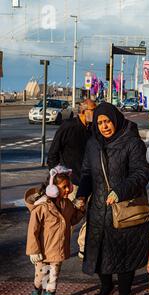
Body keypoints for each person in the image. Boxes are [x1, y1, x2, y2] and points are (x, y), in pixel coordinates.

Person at [76, 102, 149, 295]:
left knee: (124, 255)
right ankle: (106, 287)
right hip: (99, 210)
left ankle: (125, 292)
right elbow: (86, 173)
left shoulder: (132, 142)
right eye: (100, 122)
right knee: (100, 254)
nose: (104, 126)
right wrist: (81, 195)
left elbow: (141, 173)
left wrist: (120, 191)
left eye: (107, 121)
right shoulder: (93, 143)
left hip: (124, 209)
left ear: (115, 120)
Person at [25, 165, 85, 295]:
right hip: (42, 251)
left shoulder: (66, 204)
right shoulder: (42, 207)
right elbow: (32, 230)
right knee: (40, 279)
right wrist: (33, 250)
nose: (68, 189)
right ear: (53, 188)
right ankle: (36, 294)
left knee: (52, 281)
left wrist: (80, 210)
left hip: (57, 251)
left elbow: (72, 220)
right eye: (64, 187)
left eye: (68, 186)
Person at [47, 99, 97, 258]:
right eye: (93, 110)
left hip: (91, 181)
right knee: (68, 217)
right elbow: (53, 153)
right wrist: (58, 178)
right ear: (83, 112)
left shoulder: (93, 129)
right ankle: (58, 247)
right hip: (72, 184)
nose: (95, 113)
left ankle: (83, 246)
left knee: (93, 216)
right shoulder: (68, 127)